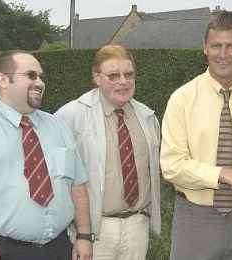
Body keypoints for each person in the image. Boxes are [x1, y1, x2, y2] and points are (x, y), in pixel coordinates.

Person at [160, 10, 232, 260]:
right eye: (216, 46)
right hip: (195, 218)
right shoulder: (181, 99)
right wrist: (224, 175)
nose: (223, 54)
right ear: (205, 47)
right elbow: (171, 166)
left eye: (231, 46)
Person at [55, 44, 161, 260]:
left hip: (137, 225)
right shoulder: (70, 116)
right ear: (97, 77)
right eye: (113, 75)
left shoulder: (147, 117)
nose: (123, 81)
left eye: (129, 74)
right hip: (94, 230)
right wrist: (80, 231)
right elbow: (58, 179)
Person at [0, 51, 92, 260]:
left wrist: (84, 236)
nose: (40, 82)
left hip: (60, 249)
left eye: (41, 76)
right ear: (4, 79)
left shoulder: (58, 126)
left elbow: (77, 185)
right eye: (31, 75)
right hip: (2, 251)